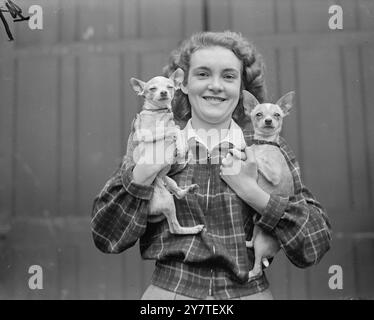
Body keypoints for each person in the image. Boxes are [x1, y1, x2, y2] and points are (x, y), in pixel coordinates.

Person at [91, 31, 332, 300]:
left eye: (228, 76)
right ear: (182, 84)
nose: (216, 85)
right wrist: (143, 172)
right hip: (169, 297)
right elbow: (105, 234)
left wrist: (254, 194)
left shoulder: (266, 147)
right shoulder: (154, 138)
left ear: (242, 89)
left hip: (248, 293)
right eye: (203, 74)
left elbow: (314, 242)